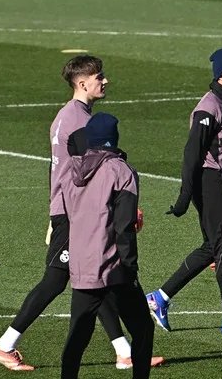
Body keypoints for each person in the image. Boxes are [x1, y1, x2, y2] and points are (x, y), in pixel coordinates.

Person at [0, 55, 149, 371]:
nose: (105, 81)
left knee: (93, 275)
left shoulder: (68, 115)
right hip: (75, 212)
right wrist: (116, 203)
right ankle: (5, 344)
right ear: (83, 83)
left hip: (68, 209)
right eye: (99, 77)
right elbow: (87, 172)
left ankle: (123, 351)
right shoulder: (79, 121)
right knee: (57, 279)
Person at [148, 49, 222, 336]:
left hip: (216, 177)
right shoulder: (209, 108)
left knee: (213, 247)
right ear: (221, 75)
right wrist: (184, 196)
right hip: (209, 180)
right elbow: (192, 153)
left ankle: (159, 298)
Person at [61, 113, 154, 379]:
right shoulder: (121, 171)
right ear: (114, 137)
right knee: (143, 329)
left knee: (78, 336)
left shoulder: (72, 171)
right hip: (114, 267)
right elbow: (124, 226)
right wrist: (130, 266)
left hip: (82, 266)